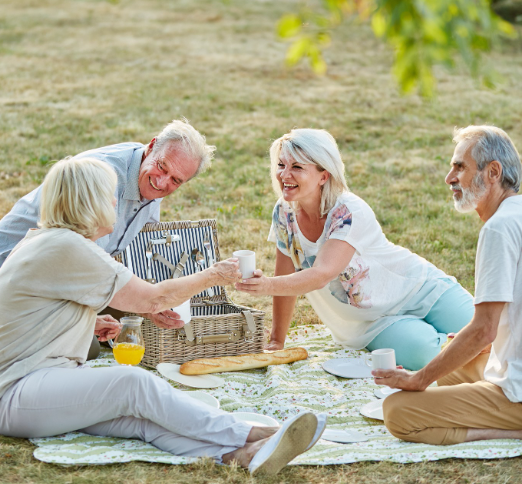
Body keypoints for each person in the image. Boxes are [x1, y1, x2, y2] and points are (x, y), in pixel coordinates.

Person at [0, 157, 325, 475]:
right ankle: (250, 433)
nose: (115, 201)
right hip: (16, 392)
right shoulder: (66, 246)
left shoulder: (50, 242)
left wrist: (87, 323)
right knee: (132, 384)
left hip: (36, 387)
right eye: (109, 193)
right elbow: (152, 298)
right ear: (89, 200)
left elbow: (32, 313)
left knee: (143, 420)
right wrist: (213, 275)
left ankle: (239, 455)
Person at [235, 129, 474, 370]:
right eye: (281, 165)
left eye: (297, 167)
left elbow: (321, 275)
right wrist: (277, 341)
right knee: (428, 355)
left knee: (496, 333)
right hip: (372, 322)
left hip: (419, 288)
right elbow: (284, 279)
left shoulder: (348, 211)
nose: (284, 174)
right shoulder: (284, 212)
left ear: (323, 176)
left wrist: (265, 285)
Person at [374, 126, 522, 445]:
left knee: (398, 410)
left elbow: (484, 329)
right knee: (450, 363)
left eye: (460, 167)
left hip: (518, 393)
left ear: (493, 172)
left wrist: (418, 380)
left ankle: (509, 431)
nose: (449, 178)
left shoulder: (499, 229)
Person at [0, 118, 212, 331]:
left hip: (60, 277)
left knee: (129, 321)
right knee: (88, 345)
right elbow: (86, 267)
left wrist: (147, 304)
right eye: (162, 167)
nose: (162, 182)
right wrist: (147, 303)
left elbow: (132, 252)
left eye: (176, 181)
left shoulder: (153, 173)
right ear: (150, 147)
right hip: (18, 284)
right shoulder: (103, 178)